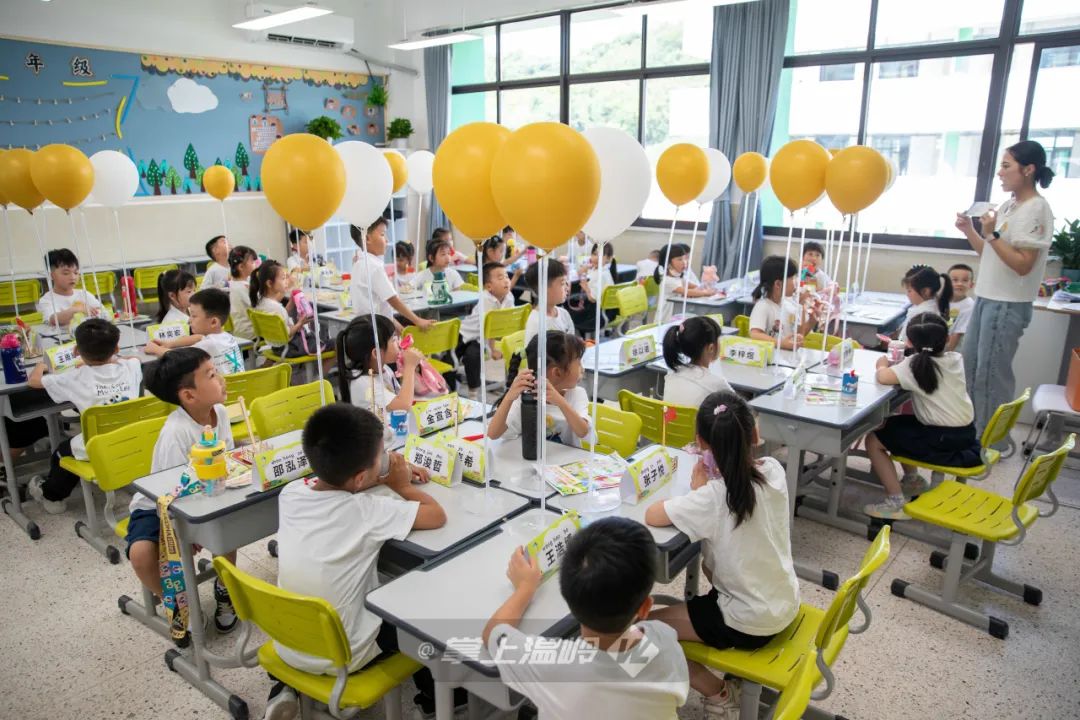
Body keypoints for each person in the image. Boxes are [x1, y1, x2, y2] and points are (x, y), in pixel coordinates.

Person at [265, 402, 448, 718]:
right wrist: (401, 485)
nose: (386, 457)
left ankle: (286, 687)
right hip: (347, 652)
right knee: (424, 612)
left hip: (288, 639)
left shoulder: (291, 494)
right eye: (382, 454)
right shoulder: (366, 513)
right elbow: (436, 516)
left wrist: (382, 476)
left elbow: (346, 486)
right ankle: (436, 698)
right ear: (362, 476)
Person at [645, 391, 799, 717]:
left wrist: (701, 487)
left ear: (701, 443)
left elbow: (653, 515)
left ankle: (718, 692)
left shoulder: (713, 496)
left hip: (747, 620)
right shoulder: (773, 470)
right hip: (782, 601)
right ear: (754, 435)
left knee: (641, 633)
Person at [482, 517, 688, 719]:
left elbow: (492, 634)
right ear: (645, 607)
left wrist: (525, 588)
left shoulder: (551, 663)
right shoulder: (664, 642)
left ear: (567, 597)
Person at [125, 347, 238, 636]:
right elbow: (168, 494)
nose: (221, 378)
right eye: (212, 375)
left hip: (206, 498)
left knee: (228, 531)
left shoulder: (220, 413)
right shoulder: (175, 433)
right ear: (189, 395)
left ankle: (226, 589)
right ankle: (174, 599)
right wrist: (181, 534)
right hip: (161, 506)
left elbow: (230, 461)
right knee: (141, 554)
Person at [956, 140, 1055, 440]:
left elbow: (1023, 265)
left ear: (1028, 170)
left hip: (1007, 304)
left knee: (991, 377)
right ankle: (973, 434)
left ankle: (993, 443)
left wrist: (993, 234)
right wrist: (972, 232)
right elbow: (990, 254)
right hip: (987, 298)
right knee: (972, 369)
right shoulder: (1010, 205)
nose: (999, 173)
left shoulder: (1037, 209)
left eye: (1006, 166)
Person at [863, 313, 981, 519]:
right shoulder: (955, 359)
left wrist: (881, 364)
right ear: (946, 339)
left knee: (873, 439)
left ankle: (895, 502)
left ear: (909, 342)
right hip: (966, 433)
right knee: (891, 425)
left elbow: (883, 377)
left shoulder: (913, 366)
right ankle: (913, 480)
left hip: (941, 440)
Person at [26, 319, 142, 514]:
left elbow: (34, 382)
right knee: (76, 444)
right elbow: (132, 359)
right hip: (133, 438)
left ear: (76, 351)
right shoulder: (132, 367)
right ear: (116, 348)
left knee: (61, 452)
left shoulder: (74, 377)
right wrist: (116, 359)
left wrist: (40, 366)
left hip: (98, 445)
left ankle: (52, 497)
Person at [489, 331, 591, 448]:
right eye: (578, 363)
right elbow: (493, 434)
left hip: (566, 463)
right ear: (557, 372)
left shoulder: (577, 394)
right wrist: (509, 396)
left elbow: (583, 431)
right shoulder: (527, 398)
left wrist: (560, 401)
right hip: (532, 462)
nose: (582, 369)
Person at [349, 220, 433, 332]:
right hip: (376, 331)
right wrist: (417, 320)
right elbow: (393, 300)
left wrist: (401, 330)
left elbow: (383, 309)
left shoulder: (358, 263)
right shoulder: (374, 266)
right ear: (367, 239)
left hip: (366, 327)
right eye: (382, 234)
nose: (387, 240)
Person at [336, 314, 425, 416]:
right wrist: (410, 367)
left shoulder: (384, 369)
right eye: (394, 340)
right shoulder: (363, 383)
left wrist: (408, 370)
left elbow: (402, 398)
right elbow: (403, 406)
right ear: (376, 353)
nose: (399, 343)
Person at [145, 288, 244, 377]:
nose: (189, 320)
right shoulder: (226, 337)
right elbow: (198, 337)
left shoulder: (208, 344)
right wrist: (169, 343)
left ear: (213, 322)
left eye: (194, 316)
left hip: (222, 395)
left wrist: (155, 349)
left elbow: (177, 357)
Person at [457, 262, 515, 397]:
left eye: (506, 276)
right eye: (500, 278)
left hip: (480, 338)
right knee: (461, 358)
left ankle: (474, 390)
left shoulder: (509, 297)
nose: (506, 280)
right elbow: (489, 327)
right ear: (489, 286)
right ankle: (464, 389)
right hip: (464, 335)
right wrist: (492, 349)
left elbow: (504, 323)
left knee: (473, 355)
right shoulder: (485, 299)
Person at [250, 260, 327, 358]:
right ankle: (319, 373)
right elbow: (288, 333)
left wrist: (290, 302)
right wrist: (300, 323)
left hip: (276, 347)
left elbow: (279, 321)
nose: (286, 281)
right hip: (291, 347)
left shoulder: (260, 302)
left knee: (316, 340)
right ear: (269, 283)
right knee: (333, 344)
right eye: (283, 278)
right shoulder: (276, 307)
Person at [662, 316, 732, 408]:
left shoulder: (672, 374)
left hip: (670, 422)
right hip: (697, 422)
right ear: (711, 348)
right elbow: (741, 412)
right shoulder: (717, 384)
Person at [749, 256, 815, 349]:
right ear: (778, 284)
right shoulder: (763, 306)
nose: (795, 282)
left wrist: (812, 320)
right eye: (792, 278)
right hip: (771, 361)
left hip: (786, 359)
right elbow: (755, 335)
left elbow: (799, 335)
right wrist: (782, 344)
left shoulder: (789, 303)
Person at [36, 249, 105, 326]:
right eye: (66, 273)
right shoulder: (47, 300)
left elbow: (102, 312)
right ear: (51, 275)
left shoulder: (84, 294)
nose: (73, 277)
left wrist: (97, 312)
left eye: (76, 273)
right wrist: (77, 309)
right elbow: (53, 320)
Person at [654, 245, 716, 325]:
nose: (684, 262)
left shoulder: (678, 277)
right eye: (680, 259)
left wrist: (705, 286)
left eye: (685, 259)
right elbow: (687, 292)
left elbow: (694, 286)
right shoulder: (667, 280)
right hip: (665, 318)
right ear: (668, 263)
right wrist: (705, 293)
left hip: (676, 314)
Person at [569, 243, 617, 337]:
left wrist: (586, 288)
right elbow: (579, 273)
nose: (595, 258)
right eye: (594, 254)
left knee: (569, 310)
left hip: (597, 314)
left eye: (600, 255)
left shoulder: (601, 274)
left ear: (608, 258)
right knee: (571, 304)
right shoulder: (597, 270)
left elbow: (592, 299)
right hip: (601, 310)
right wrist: (585, 268)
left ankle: (581, 339)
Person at [524, 258, 574, 346]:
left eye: (566, 282)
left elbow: (572, 344)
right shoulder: (536, 322)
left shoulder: (564, 314)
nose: (567, 288)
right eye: (562, 283)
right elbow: (533, 357)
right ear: (544, 288)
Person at [898, 265, 952, 343]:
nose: (907, 294)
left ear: (926, 291)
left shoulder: (919, 312)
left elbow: (903, 341)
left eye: (909, 291)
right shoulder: (936, 304)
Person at [227, 245, 259, 341]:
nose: (255, 264)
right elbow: (260, 306)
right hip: (250, 333)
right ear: (241, 267)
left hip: (238, 330)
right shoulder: (243, 287)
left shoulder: (233, 284)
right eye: (252, 262)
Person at [947, 263, 976, 352]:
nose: (959, 284)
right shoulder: (942, 301)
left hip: (954, 353)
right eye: (955, 280)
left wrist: (943, 355)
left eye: (965, 280)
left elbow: (956, 335)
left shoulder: (969, 306)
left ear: (971, 285)